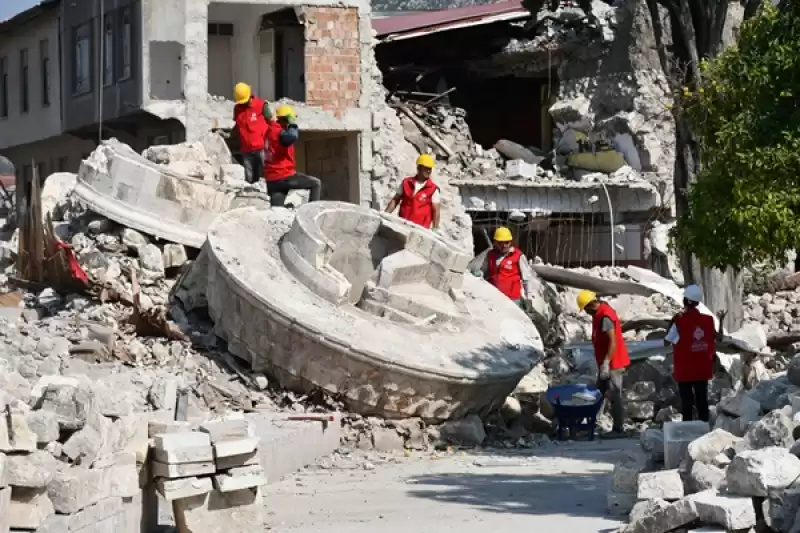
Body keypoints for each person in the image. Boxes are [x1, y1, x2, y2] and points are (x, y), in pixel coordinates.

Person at [664, 284, 725, 422]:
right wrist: (721, 321)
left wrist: (672, 321)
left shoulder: (679, 320)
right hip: (702, 369)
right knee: (702, 401)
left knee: (687, 404)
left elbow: (666, 341)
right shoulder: (708, 320)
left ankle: (687, 430)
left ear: (685, 301)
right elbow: (719, 338)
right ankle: (704, 429)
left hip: (684, 370)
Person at [577, 290, 630, 438]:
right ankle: (590, 424)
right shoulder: (598, 313)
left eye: (586, 308)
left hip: (614, 362)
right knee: (598, 393)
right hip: (605, 362)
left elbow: (613, 341)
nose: (586, 312)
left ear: (591, 304)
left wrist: (606, 362)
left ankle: (619, 429)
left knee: (614, 395)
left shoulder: (605, 316)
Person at [264, 104, 322, 207]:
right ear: (288, 118)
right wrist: (292, 124)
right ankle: (311, 212)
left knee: (278, 211)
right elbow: (292, 136)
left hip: (272, 180)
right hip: (283, 175)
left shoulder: (270, 131)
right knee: (316, 183)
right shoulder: (281, 133)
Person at [472, 227, 535, 311]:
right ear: (495, 242)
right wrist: (479, 273)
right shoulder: (490, 255)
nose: (504, 245)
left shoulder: (518, 256)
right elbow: (484, 270)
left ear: (511, 242)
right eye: (500, 243)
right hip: (494, 297)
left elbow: (526, 279)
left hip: (512, 299)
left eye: (507, 242)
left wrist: (529, 298)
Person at [385, 154, 441, 230]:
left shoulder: (433, 189)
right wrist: (385, 214)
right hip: (402, 224)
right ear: (419, 168)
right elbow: (395, 200)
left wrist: (435, 228)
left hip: (420, 229)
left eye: (430, 169)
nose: (428, 171)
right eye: (426, 168)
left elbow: (436, 211)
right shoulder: (406, 183)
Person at [232, 82, 269, 184]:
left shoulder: (262, 105)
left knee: (267, 175)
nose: (243, 103)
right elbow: (237, 126)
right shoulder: (237, 109)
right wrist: (228, 135)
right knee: (249, 179)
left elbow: (272, 122)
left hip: (262, 148)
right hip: (246, 150)